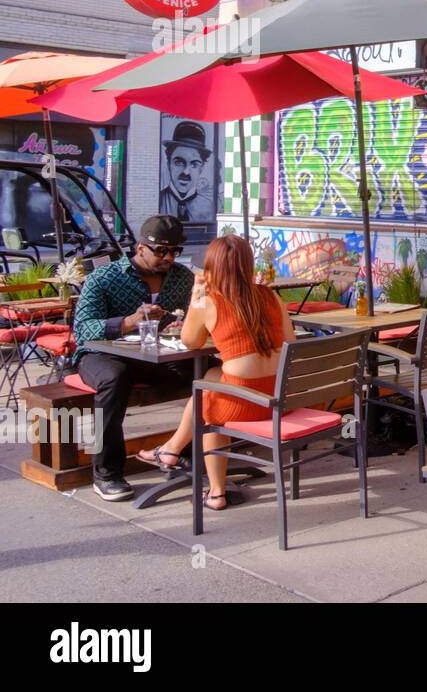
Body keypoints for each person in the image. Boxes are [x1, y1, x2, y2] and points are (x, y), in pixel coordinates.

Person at [136, 235, 295, 510]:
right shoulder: (270, 295)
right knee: (210, 378)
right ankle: (171, 450)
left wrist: (195, 298)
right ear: (248, 263)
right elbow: (289, 341)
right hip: (280, 396)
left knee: (208, 405)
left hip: (245, 406)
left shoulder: (209, 301)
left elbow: (190, 341)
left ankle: (216, 491)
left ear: (212, 266)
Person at [71, 215, 195, 502]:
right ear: (141, 248)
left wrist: (185, 324)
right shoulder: (106, 277)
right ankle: (107, 473)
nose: (169, 258)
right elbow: (83, 329)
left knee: (208, 374)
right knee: (115, 380)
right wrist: (128, 321)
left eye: (174, 251)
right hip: (101, 353)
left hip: (158, 354)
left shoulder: (182, 277)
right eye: (161, 251)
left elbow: (194, 315)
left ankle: (184, 453)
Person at [158, 121, 215, 223]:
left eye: (194, 164)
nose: (186, 172)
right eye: (179, 162)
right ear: (168, 164)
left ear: (201, 168)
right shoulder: (158, 201)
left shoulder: (208, 207)